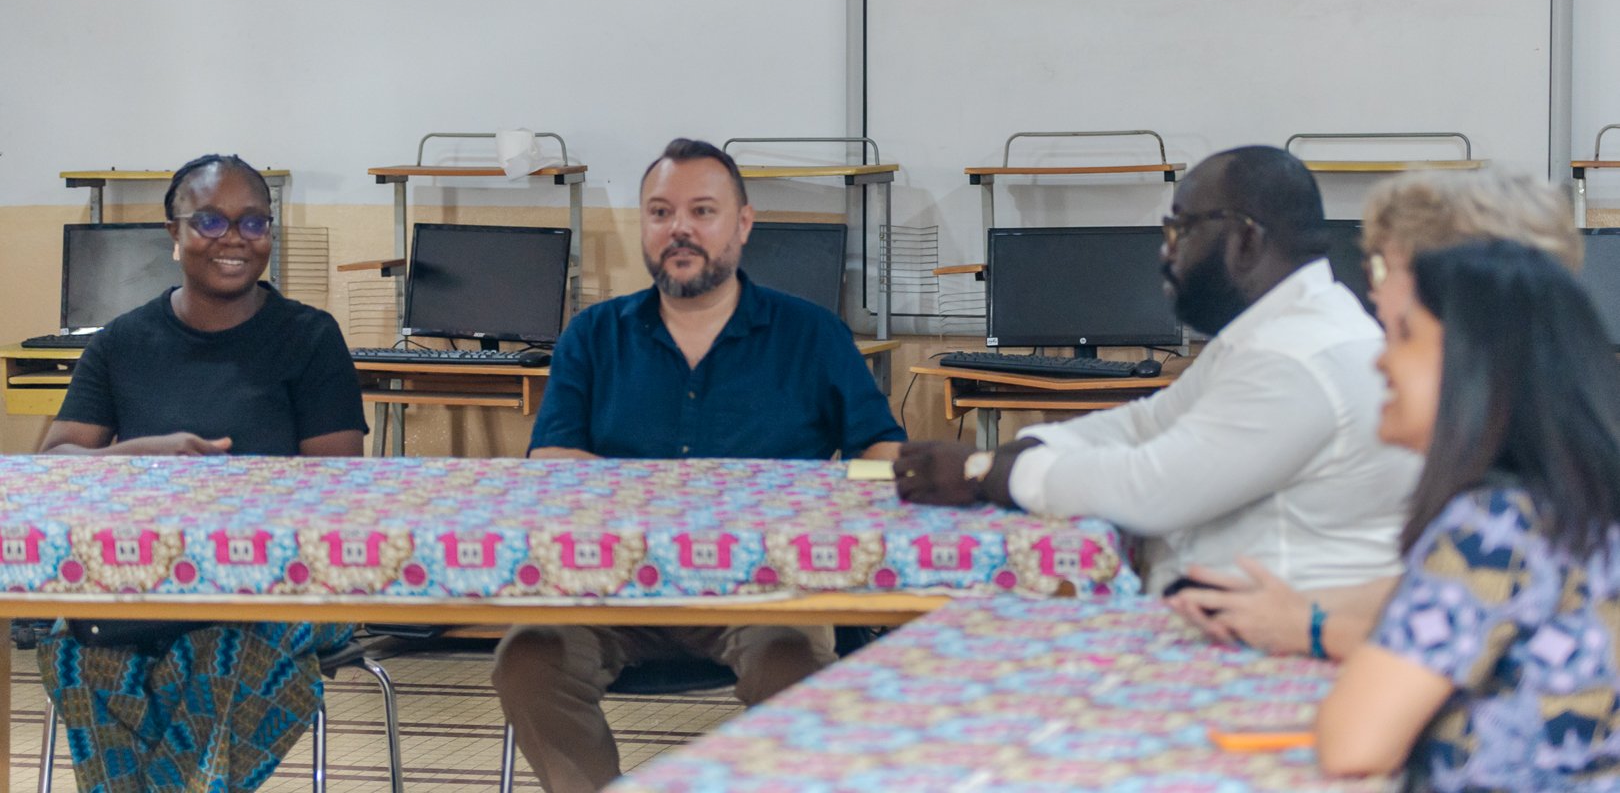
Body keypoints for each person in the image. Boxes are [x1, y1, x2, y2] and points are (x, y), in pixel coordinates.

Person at [492, 138, 904, 793]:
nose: (679, 228)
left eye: (702, 211)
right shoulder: (593, 335)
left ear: (743, 224)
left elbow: (878, 448)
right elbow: (552, 459)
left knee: (794, 664)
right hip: (612, 584)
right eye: (660, 212)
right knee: (526, 661)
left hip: (765, 588)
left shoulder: (812, 334)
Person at [896, 145, 1419, 595]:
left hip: (1271, 648)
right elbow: (1146, 422)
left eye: (1180, 229)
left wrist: (984, 472)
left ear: (1245, 241)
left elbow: (1149, 490)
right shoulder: (1278, 329)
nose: (1166, 252)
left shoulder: (1297, 356)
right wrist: (1017, 452)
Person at [37, 154, 368, 793]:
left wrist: (239, 495)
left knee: (218, 654)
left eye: (254, 222)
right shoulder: (121, 343)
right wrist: (140, 457)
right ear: (174, 232)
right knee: (71, 647)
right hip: (147, 580)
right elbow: (53, 467)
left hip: (288, 580)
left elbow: (339, 486)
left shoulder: (309, 337)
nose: (235, 239)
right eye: (211, 221)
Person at [1167, 170, 1582, 660]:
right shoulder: (1542, 442)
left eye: (1385, 269)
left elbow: (1461, 626)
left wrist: (1313, 627)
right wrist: (1291, 606)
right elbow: (1448, 588)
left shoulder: (1512, 499)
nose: (1373, 293)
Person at [1315, 240, 1620, 787]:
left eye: (1404, 335)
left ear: (1479, 361)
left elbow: (1353, 744)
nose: (1381, 359)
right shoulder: (1577, 509)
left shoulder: (1495, 529)